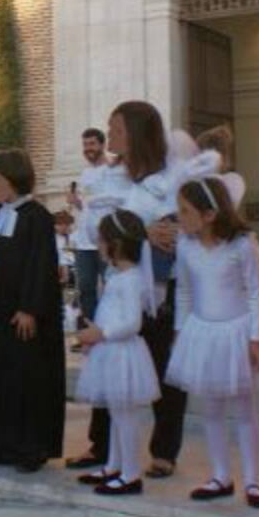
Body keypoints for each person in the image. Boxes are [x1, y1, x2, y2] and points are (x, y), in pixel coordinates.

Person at [69, 101, 188, 479]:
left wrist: (149, 231)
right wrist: (141, 232)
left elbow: (177, 231)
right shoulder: (109, 176)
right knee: (110, 366)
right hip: (119, 287)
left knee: (163, 370)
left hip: (160, 292)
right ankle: (103, 448)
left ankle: (164, 450)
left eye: (116, 127)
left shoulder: (170, 178)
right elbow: (94, 228)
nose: (110, 135)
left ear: (136, 132)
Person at [168, 178, 259, 508]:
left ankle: (254, 481)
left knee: (244, 408)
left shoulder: (241, 244)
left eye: (185, 211)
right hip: (203, 332)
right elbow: (183, 291)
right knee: (211, 408)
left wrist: (256, 337)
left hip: (236, 332)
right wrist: (180, 332)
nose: (178, 216)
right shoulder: (185, 247)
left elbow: (255, 293)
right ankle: (220, 476)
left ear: (209, 214)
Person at [0, 148, 65, 473]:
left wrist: (29, 308)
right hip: (1, 313)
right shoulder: (4, 213)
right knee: (3, 378)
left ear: (12, 181)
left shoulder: (36, 216)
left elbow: (40, 264)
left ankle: (30, 447)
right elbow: (7, 256)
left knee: (28, 382)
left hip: (24, 315)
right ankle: (0, 444)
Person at [73, 209, 160, 496]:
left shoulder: (131, 278)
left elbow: (133, 323)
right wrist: (96, 332)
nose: (98, 246)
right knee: (115, 413)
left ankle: (131, 472)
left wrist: (103, 333)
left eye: (101, 240)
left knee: (125, 416)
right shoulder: (117, 276)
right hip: (110, 353)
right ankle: (114, 464)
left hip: (123, 353)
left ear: (117, 244)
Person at [67, 128, 115, 326]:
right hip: (84, 242)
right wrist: (76, 202)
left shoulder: (113, 170)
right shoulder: (84, 173)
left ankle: (110, 327)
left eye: (92, 144)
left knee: (110, 285)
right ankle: (90, 326)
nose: (88, 149)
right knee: (85, 287)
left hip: (107, 240)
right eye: (85, 145)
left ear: (102, 145)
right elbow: (85, 206)